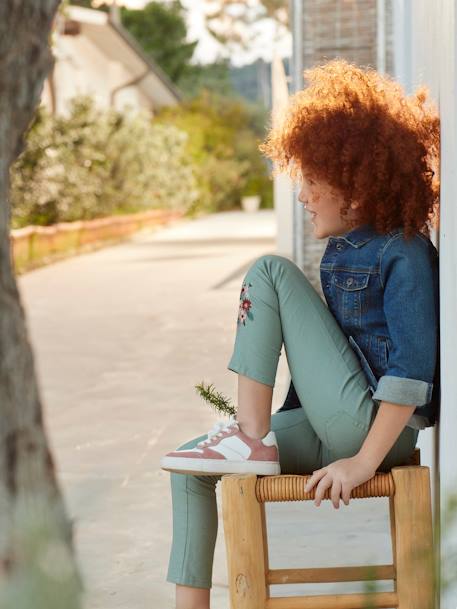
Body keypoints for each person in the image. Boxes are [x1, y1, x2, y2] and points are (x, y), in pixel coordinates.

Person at [159, 58, 440, 609]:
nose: (303, 196)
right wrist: (286, 418)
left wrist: (361, 463)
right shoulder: (344, 250)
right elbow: (330, 360)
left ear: (354, 188)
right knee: (188, 464)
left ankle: (250, 435)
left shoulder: (403, 252)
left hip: (375, 432)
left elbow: (411, 373)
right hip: (336, 419)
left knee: (269, 270)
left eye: (312, 182)